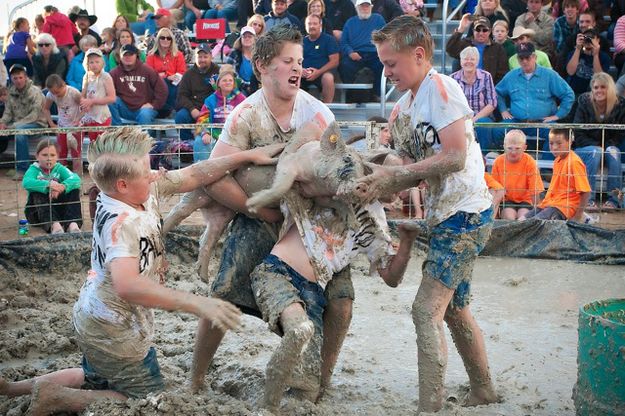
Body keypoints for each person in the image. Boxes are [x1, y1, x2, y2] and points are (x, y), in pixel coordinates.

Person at [0, 127, 285, 415]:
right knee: (144, 399)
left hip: (96, 317)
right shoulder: (121, 223)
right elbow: (128, 285)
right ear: (123, 185)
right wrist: (197, 302)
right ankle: (56, 397)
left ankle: (13, 389)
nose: (155, 173)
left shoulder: (137, 192)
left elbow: (195, 174)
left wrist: (245, 155)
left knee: (93, 376)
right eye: (147, 168)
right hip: (113, 328)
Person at [189, 25, 355, 401]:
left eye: (300, 61)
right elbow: (214, 177)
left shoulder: (318, 112)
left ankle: (320, 381)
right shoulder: (246, 114)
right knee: (224, 293)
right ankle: (196, 378)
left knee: (342, 299)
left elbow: (338, 170)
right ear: (262, 64)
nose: (297, 68)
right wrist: (264, 213)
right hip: (262, 216)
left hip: (313, 224)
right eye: (287, 61)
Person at [357, 15, 499, 413]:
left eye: (391, 64)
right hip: (446, 214)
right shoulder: (402, 108)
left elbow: (453, 157)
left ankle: (429, 406)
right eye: (383, 63)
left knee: (425, 310)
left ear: (419, 55)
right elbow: (405, 161)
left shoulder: (444, 89)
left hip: (467, 213)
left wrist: (396, 173)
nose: (386, 72)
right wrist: (376, 174)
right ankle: (485, 390)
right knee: (454, 309)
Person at [248, 137, 419, 412]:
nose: (399, 185)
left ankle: (288, 395)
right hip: (276, 272)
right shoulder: (328, 182)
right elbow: (308, 158)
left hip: (314, 292)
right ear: (375, 172)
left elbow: (391, 278)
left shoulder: (375, 223)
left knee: (307, 389)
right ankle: (266, 407)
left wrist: (408, 243)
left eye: (400, 181)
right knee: (299, 329)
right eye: (394, 177)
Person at [496, 42, 575, 151]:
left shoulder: (549, 75)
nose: (524, 61)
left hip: (542, 122)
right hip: (517, 121)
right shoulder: (511, 76)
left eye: (527, 57)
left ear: (534, 57)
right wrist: (503, 110)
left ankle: (548, 167)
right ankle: (504, 163)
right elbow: (497, 92)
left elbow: (568, 94)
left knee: (556, 135)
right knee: (497, 130)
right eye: (521, 58)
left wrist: (558, 115)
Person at [573, 72, 625, 211]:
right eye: (596, 87)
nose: (599, 91)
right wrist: (598, 147)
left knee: (614, 151)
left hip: (607, 148)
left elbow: (619, 135)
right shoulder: (584, 103)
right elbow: (578, 133)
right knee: (596, 151)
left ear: (610, 89)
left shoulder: (620, 105)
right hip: (585, 149)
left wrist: (605, 147)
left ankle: (614, 200)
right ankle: (588, 199)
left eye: (603, 87)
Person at [519, 128, 590, 221]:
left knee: (533, 223)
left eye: (559, 143)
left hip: (563, 207)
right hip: (550, 203)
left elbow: (586, 192)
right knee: (521, 219)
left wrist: (577, 217)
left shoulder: (574, 162)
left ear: (569, 142)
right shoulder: (557, 160)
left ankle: (583, 218)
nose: (555, 147)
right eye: (551, 143)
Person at [22, 139, 82, 233]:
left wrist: (62, 186)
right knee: (37, 191)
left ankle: (72, 224)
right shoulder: (34, 169)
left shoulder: (59, 168)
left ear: (57, 157)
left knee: (74, 189)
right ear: (37, 156)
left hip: (58, 210)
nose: (49, 158)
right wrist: (49, 185)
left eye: (52, 155)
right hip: (37, 213)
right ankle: (54, 226)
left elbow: (76, 179)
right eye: (45, 155)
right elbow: (26, 182)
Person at [0, 64, 47, 180]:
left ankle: (23, 170)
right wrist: (2, 123)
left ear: (25, 77)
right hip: (17, 126)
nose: (18, 80)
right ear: (11, 79)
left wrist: (13, 126)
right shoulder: (11, 93)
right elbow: (8, 113)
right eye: (15, 78)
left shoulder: (35, 92)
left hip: (37, 124)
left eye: (20, 77)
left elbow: (34, 115)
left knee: (20, 132)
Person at [450, 46, 498, 154]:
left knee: (482, 125)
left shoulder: (486, 76)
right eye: (466, 59)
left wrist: (474, 119)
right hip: (460, 118)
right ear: (461, 61)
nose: (469, 62)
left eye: (472, 59)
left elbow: (492, 103)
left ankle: (483, 157)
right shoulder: (452, 79)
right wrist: (463, 120)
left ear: (477, 61)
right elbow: (449, 104)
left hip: (482, 117)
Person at [194, 64, 246, 161]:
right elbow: (202, 119)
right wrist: (205, 133)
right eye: (224, 80)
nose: (228, 83)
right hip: (215, 135)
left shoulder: (241, 98)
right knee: (199, 141)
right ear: (218, 84)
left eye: (230, 80)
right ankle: (202, 172)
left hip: (235, 135)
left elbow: (248, 116)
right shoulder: (210, 100)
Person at [108, 44, 168, 126]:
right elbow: (106, 92)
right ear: (120, 57)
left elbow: (162, 90)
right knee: (111, 100)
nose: (128, 57)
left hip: (144, 109)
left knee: (145, 114)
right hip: (125, 108)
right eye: (125, 55)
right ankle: (118, 133)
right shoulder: (114, 73)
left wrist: (153, 104)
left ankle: (143, 138)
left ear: (136, 55)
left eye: (131, 55)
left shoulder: (147, 70)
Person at [491, 130, 545, 219]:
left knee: (523, 217)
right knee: (509, 217)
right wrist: (494, 215)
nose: (513, 152)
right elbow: (494, 189)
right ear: (504, 147)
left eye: (517, 148)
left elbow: (534, 190)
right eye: (509, 148)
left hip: (526, 200)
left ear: (524, 147)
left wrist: (537, 212)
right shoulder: (498, 161)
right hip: (506, 200)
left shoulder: (530, 161)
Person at [339, 0, 385, 98]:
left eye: (367, 6)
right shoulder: (350, 22)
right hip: (355, 54)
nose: (365, 8)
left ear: (371, 7)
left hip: (374, 54)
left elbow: (385, 38)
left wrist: (379, 50)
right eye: (362, 6)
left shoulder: (378, 19)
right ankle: (351, 95)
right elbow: (344, 42)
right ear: (356, 8)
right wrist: (350, 52)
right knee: (344, 65)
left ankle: (377, 94)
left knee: (382, 63)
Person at [175, 43, 220, 141]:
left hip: (212, 108)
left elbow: (225, 92)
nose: (202, 59)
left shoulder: (218, 71)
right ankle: (187, 145)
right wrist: (192, 109)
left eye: (205, 56)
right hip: (194, 108)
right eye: (199, 57)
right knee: (180, 117)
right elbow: (181, 96)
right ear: (195, 57)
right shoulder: (188, 74)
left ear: (211, 57)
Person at [446, 15, 508, 84]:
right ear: (473, 31)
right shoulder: (465, 44)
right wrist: (461, 29)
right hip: (464, 86)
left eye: (484, 30)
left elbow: (502, 74)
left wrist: (491, 89)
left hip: (488, 87)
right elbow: (449, 49)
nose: (481, 33)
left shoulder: (498, 48)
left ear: (490, 31)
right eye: (478, 30)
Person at [42, 74, 83, 173]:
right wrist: (51, 123)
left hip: (75, 127)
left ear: (63, 85)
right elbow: (45, 108)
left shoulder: (73, 92)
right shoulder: (50, 95)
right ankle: (61, 174)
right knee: (61, 152)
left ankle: (77, 175)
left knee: (76, 153)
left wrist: (78, 119)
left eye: (57, 92)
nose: (56, 95)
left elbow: (84, 107)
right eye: (53, 92)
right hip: (61, 126)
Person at [146, 27, 187, 114]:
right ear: (158, 40)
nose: (165, 40)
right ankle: (166, 109)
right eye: (162, 37)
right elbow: (149, 75)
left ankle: (168, 109)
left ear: (172, 41)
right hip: (156, 87)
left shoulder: (178, 55)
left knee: (174, 85)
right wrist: (167, 76)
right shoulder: (151, 55)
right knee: (164, 82)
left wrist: (167, 76)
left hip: (174, 85)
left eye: (168, 38)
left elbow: (182, 72)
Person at [301, 14, 339, 103]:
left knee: (328, 78)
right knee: (292, 76)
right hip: (304, 73)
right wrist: (301, 70)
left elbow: (335, 61)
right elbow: (294, 61)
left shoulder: (329, 40)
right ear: (305, 26)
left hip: (323, 72)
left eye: (315, 24)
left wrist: (318, 72)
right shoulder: (301, 42)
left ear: (320, 25)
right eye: (309, 24)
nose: (312, 26)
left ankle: (327, 108)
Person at [80, 48, 115, 143]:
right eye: (91, 62)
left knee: (101, 145)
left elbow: (112, 98)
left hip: (102, 116)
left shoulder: (106, 76)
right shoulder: (86, 76)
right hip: (90, 116)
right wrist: (83, 104)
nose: (94, 64)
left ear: (102, 62)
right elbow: (83, 95)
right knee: (92, 143)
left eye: (97, 61)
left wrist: (92, 101)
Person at [565, 28, 612, 96]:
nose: (588, 40)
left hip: (595, 94)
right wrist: (578, 49)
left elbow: (600, 79)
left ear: (598, 40)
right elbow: (570, 72)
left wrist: (595, 55)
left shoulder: (604, 57)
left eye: (591, 37)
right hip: (575, 92)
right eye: (586, 37)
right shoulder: (574, 53)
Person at [226, 26, 260, 97]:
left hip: (257, 87)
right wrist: (245, 85)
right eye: (244, 36)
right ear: (240, 39)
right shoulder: (234, 54)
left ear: (255, 39)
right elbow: (230, 73)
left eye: (250, 36)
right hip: (238, 88)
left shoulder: (260, 54)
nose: (247, 38)